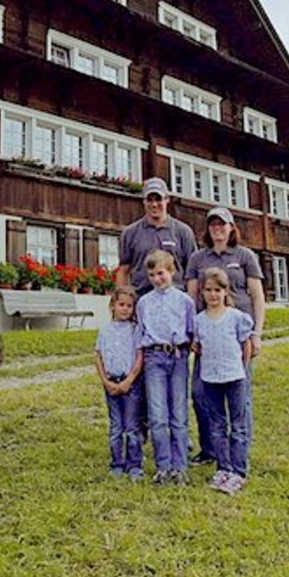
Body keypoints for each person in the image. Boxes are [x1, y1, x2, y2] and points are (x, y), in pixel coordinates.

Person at [185, 207, 266, 463]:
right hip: (207, 335)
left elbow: (257, 296)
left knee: (241, 394)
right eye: (213, 225)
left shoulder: (245, 256)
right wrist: (191, 335)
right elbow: (190, 298)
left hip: (238, 336)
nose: (218, 229)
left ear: (232, 228)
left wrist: (257, 334)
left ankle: (240, 449)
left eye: (223, 224)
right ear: (208, 229)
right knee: (200, 392)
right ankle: (210, 449)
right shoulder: (198, 258)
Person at [192, 268, 255, 494]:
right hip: (210, 378)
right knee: (217, 425)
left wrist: (243, 368)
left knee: (238, 425)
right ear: (202, 292)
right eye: (208, 290)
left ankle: (238, 471)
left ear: (225, 291)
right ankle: (223, 468)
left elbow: (246, 345)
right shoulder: (198, 321)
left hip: (235, 376)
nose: (213, 295)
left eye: (217, 290)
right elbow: (197, 346)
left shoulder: (236, 317)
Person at [135, 249, 196, 485]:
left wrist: (184, 351)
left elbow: (191, 332)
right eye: (152, 275)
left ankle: (180, 467)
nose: (157, 279)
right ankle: (163, 466)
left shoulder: (185, 301)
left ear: (171, 272)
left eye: (160, 273)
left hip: (178, 357)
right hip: (154, 358)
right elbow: (141, 333)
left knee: (178, 414)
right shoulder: (144, 303)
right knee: (158, 414)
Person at [94, 286, 144, 480]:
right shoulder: (105, 330)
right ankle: (117, 463)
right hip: (111, 383)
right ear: (112, 306)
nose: (125, 309)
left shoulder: (135, 330)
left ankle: (134, 465)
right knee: (116, 427)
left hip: (130, 383)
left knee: (132, 426)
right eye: (121, 304)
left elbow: (140, 356)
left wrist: (130, 379)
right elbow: (98, 355)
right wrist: (105, 381)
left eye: (129, 306)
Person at [117, 177, 197, 296]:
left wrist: (191, 303)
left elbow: (193, 272)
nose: (154, 204)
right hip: (141, 298)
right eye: (149, 200)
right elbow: (123, 271)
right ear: (144, 201)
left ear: (167, 200)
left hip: (175, 299)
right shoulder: (130, 233)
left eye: (158, 199)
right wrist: (121, 299)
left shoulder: (183, 232)